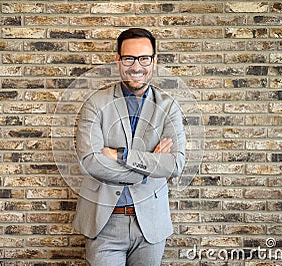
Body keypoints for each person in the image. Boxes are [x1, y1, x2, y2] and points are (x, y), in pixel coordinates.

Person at [73, 28, 186, 265]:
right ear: (118, 60)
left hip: (150, 225)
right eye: (129, 58)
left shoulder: (168, 107)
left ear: (154, 61)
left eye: (144, 58)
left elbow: (175, 164)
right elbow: (90, 162)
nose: (137, 66)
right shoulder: (95, 103)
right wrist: (148, 167)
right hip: (104, 224)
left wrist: (120, 155)